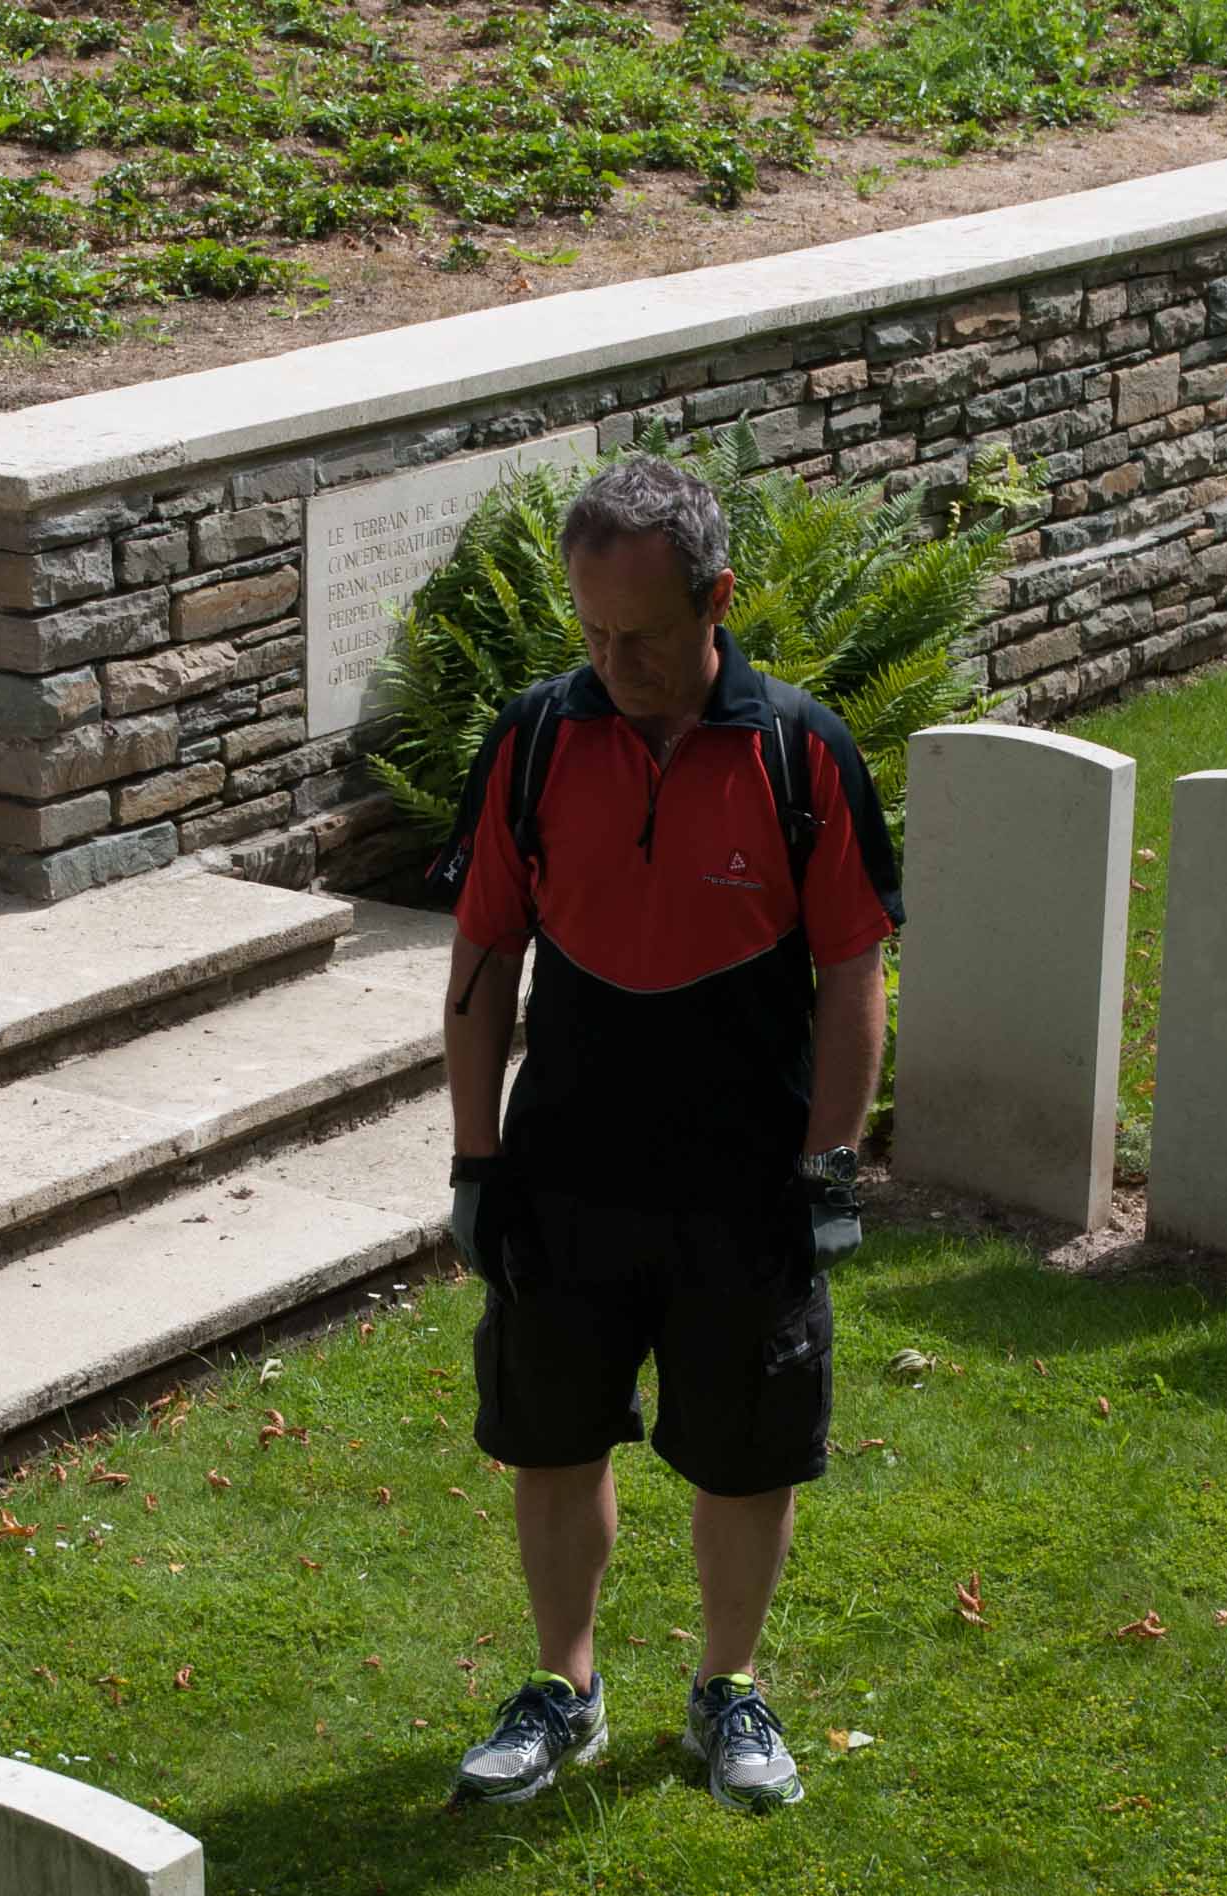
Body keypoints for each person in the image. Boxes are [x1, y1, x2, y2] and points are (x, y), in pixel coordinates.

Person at [434, 454, 900, 1814]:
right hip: (567, 1161)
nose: (609, 658)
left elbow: (856, 975)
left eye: (637, 633)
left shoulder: (801, 753)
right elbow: (481, 966)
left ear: (719, 601)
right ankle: (564, 1689)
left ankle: (728, 1689)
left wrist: (828, 1162)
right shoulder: (532, 741)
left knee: (746, 1448)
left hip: (743, 1175)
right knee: (551, 1438)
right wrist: (475, 1160)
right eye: (587, 627)